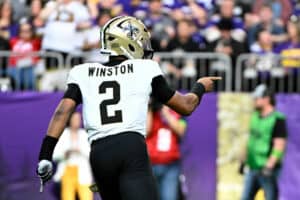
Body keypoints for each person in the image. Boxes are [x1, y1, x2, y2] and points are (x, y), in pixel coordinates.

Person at [37, 16, 221, 200]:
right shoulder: (145, 68)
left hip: (100, 154)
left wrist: (45, 155)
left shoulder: (83, 72)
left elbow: (62, 111)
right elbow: (186, 106)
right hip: (130, 148)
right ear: (128, 42)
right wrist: (200, 86)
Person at [240, 84, 288, 200]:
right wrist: (243, 161)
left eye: (257, 98)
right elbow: (251, 141)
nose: (254, 100)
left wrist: (269, 166)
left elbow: (279, 145)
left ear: (266, 99)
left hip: (267, 169)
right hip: (252, 167)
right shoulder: (255, 116)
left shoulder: (277, 119)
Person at [146, 100, 187, 200]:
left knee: (169, 197)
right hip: (150, 165)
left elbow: (181, 130)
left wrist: (165, 111)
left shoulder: (178, 112)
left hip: (170, 166)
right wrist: (150, 107)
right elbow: (146, 130)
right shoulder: (149, 112)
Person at [53, 112, 93, 200]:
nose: (76, 121)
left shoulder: (85, 135)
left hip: (83, 172)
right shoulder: (62, 135)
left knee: (86, 197)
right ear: (69, 120)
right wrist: (65, 153)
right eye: (74, 119)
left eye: (78, 119)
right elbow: (55, 155)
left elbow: (91, 154)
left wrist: (80, 151)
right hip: (67, 172)